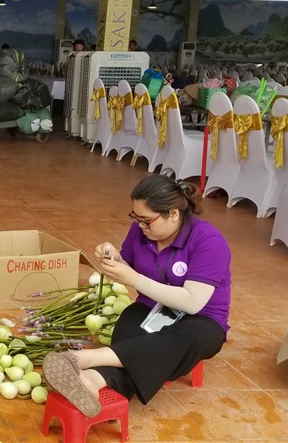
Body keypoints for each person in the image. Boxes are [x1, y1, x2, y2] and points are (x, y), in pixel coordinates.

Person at [42, 175, 231, 417]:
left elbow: (192, 302)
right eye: (136, 217)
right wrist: (111, 259)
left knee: (181, 340)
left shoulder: (208, 241)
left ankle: (85, 359)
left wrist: (133, 279)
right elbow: (127, 263)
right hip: (151, 309)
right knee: (131, 335)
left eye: (146, 221)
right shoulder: (141, 231)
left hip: (200, 321)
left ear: (173, 214)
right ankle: (92, 379)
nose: (140, 226)